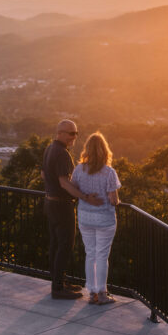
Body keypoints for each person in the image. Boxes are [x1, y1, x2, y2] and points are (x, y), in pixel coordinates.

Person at [41, 120, 103, 299]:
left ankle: (58, 281)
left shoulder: (49, 149)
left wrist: (51, 187)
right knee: (65, 245)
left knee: (55, 244)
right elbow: (64, 182)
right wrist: (84, 197)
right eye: (71, 133)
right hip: (61, 205)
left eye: (76, 133)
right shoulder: (62, 154)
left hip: (50, 202)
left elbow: (43, 174)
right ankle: (58, 288)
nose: (74, 137)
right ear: (60, 133)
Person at [70, 131, 121, 305]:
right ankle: (103, 294)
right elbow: (113, 200)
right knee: (102, 256)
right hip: (104, 219)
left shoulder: (79, 169)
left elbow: (74, 189)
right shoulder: (109, 172)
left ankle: (92, 293)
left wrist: (86, 196)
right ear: (104, 150)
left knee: (90, 254)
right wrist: (116, 200)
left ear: (87, 150)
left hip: (85, 217)